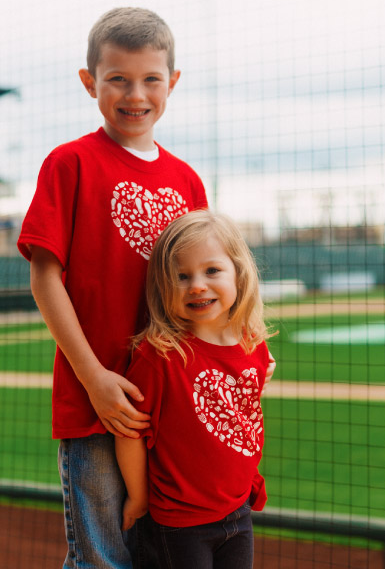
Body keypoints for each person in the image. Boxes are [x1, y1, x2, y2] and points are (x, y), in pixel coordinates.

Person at [17, 7, 209, 568]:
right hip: (97, 399)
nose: (136, 93)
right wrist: (94, 377)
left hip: (169, 400)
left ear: (172, 82)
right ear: (90, 82)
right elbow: (44, 276)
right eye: (118, 78)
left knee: (162, 551)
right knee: (102, 557)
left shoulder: (187, 179)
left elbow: (203, 290)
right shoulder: (69, 163)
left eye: (151, 79)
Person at [116, 210, 274, 569]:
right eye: (182, 276)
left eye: (212, 271)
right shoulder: (160, 357)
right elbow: (130, 431)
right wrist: (138, 497)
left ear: (239, 272)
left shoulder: (254, 345)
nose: (197, 285)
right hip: (182, 524)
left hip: (238, 510)